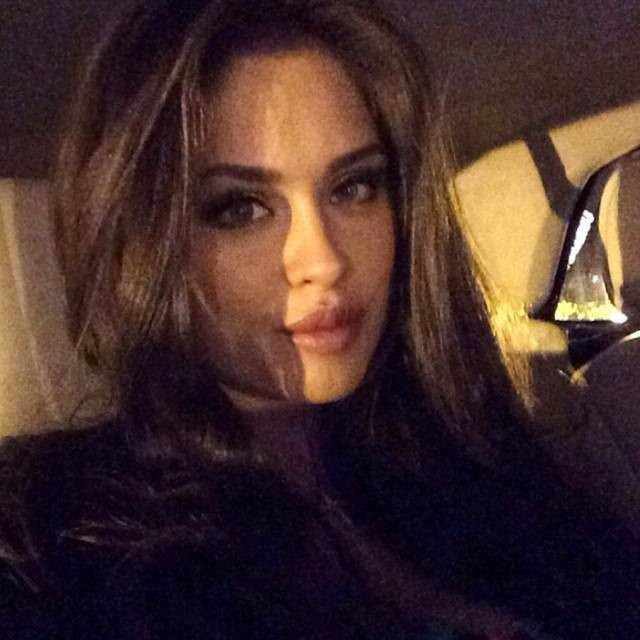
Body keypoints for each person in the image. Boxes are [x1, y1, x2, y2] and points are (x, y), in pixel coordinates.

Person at [0, 0, 638, 638]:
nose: (324, 261)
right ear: (138, 240)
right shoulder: (49, 538)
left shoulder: (476, 461)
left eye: (354, 187)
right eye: (239, 208)